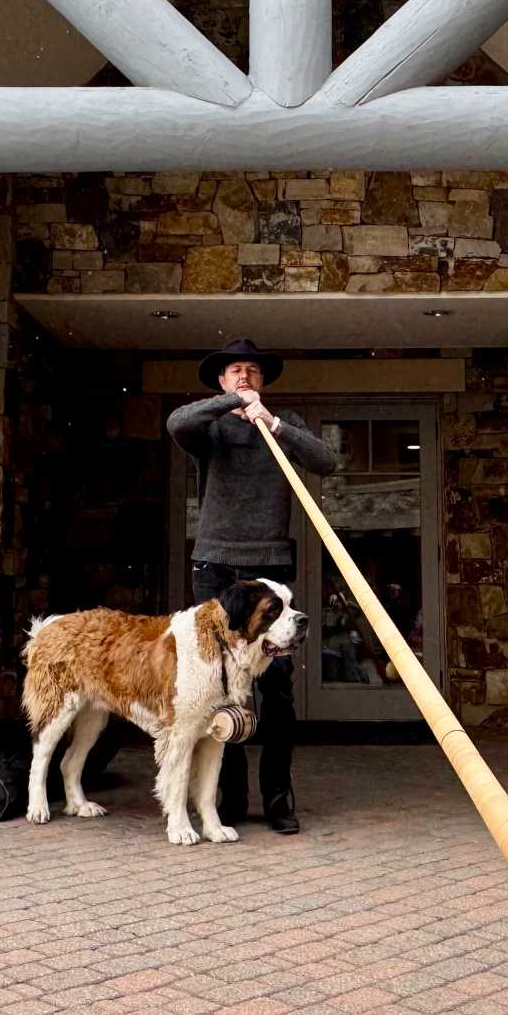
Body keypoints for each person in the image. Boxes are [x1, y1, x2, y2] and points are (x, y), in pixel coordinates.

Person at [167, 338, 337, 834]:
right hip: (215, 567)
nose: (245, 376)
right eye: (235, 371)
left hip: (270, 567)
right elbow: (178, 422)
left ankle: (279, 798)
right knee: (220, 684)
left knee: (276, 688)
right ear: (221, 380)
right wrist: (233, 404)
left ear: (264, 381)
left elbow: (326, 461)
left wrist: (274, 423)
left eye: (253, 372)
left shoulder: (285, 428)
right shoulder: (212, 429)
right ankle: (230, 797)